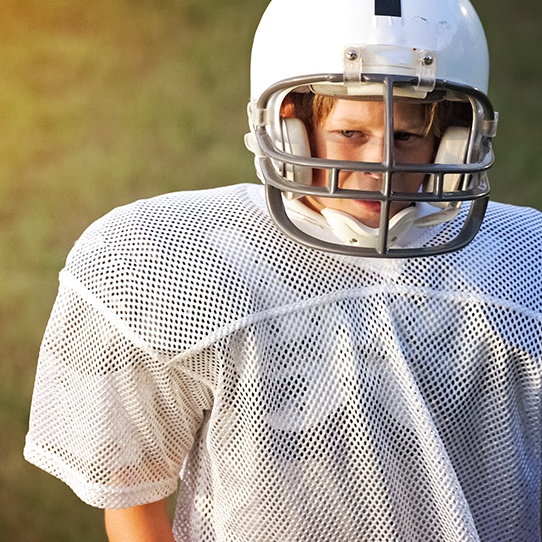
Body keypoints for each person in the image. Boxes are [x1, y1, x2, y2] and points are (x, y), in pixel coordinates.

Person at [24, 0, 541, 540]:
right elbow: (134, 494)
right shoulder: (184, 260)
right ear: (288, 129)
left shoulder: (522, 261)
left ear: (453, 140)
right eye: (350, 134)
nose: (380, 165)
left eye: (408, 136)